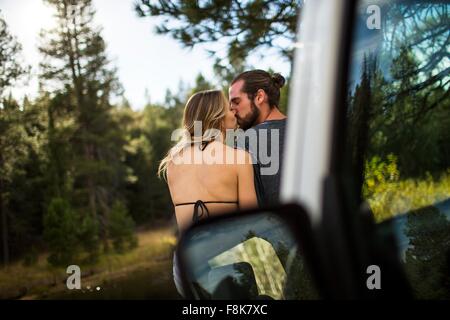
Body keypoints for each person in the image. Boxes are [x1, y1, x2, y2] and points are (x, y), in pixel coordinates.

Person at [158, 89, 258, 296]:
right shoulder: (239, 159)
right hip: (227, 256)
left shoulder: (172, 163)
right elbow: (252, 221)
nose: (233, 112)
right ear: (217, 117)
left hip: (186, 262)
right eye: (228, 108)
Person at [229, 70, 287, 206]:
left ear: (260, 97)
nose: (232, 110)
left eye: (236, 102)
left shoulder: (246, 141)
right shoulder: (304, 131)